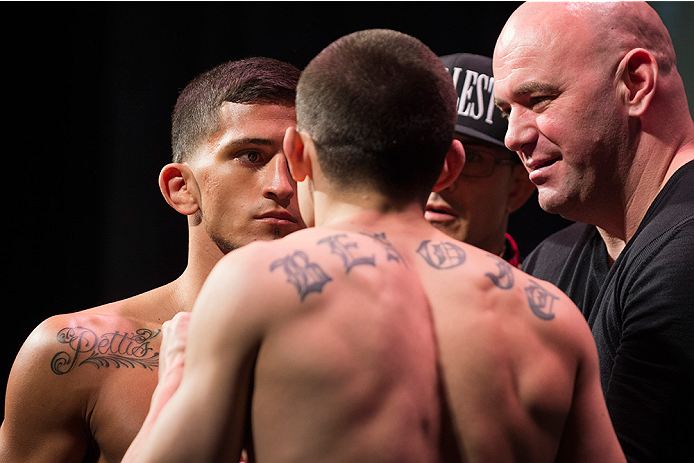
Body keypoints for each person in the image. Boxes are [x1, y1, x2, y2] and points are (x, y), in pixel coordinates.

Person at [123, 28, 625, 463]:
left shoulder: (255, 284)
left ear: (297, 154)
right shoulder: (552, 318)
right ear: (447, 165)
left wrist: (177, 375)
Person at [0, 57, 305, 463]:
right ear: (181, 187)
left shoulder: (370, 351)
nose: (281, 185)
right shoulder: (76, 353)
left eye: (301, 163)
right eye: (250, 156)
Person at [492, 2, 694, 461]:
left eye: (538, 100)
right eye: (507, 110)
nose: (512, 137)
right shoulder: (552, 258)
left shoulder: (685, 253)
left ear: (636, 84)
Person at [425, 53, 535, 266]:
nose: (440, 178)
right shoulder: (351, 287)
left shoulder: (549, 297)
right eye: (426, 152)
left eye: (470, 157)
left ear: (518, 186)